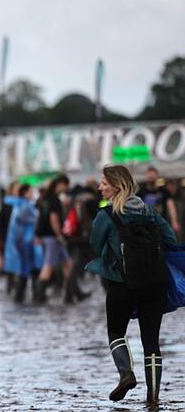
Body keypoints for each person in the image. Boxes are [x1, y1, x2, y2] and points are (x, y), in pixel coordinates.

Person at [86, 165, 175, 405]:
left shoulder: (106, 214)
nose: (99, 187)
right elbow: (170, 238)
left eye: (103, 183)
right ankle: (153, 396)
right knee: (152, 342)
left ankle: (126, 374)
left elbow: (94, 244)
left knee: (116, 332)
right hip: (154, 283)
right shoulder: (149, 211)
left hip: (121, 283)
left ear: (116, 186)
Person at [34, 175, 73, 303]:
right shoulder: (54, 199)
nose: (66, 188)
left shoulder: (45, 198)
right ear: (61, 184)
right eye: (66, 185)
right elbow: (54, 219)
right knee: (48, 266)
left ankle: (72, 293)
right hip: (52, 237)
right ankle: (39, 296)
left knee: (67, 263)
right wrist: (59, 235)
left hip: (47, 236)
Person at [3, 185, 40, 303]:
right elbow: (25, 221)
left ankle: (22, 295)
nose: (32, 193)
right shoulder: (24, 206)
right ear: (25, 193)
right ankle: (28, 295)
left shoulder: (19, 204)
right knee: (29, 268)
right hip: (27, 242)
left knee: (28, 269)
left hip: (25, 241)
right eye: (30, 191)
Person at [137, 166, 181, 236]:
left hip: (161, 223)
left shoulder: (164, 191)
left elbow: (171, 206)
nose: (151, 177)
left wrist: (174, 221)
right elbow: (137, 208)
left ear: (157, 176)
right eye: (149, 175)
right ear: (146, 176)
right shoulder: (141, 192)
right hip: (146, 225)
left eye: (153, 175)